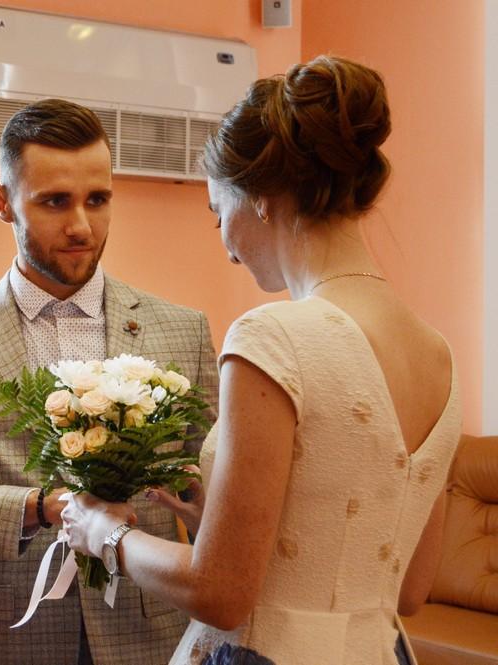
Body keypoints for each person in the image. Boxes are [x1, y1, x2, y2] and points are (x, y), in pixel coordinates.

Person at [60, 55, 462, 665]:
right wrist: (221, 523)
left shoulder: (271, 336)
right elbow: (409, 589)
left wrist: (104, 533)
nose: (225, 246)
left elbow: (220, 595)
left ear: (263, 200)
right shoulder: (438, 353)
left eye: (218, 212)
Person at [0, 98, 219, 665]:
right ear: (2, 202)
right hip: (3, 640)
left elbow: (218, 495)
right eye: (54, 201)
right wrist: (38, 507)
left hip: (150, 635)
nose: (81, 226)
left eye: (97, 200)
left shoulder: (183, 332)